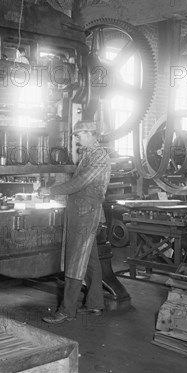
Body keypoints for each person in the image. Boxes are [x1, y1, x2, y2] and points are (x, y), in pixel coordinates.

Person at [42, 120, 111, 324]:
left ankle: (67, 310)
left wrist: (51, 191)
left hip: (85, 213)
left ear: (90, 134)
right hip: (82, 210)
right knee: (90, 260)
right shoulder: (87, 155)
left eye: (78, 135)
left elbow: (80, 183)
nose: (76, 139)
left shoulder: (99, 157)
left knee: (75, 260)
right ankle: (95, 304)